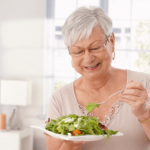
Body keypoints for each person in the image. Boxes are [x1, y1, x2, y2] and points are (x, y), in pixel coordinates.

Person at [45, 6, 150, 150]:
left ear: (111, 41)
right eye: (78, 51)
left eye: (95, 48)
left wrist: (144, 115)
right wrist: (71, 143)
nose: (88, 58)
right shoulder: (59, 99)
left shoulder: (144, 85)